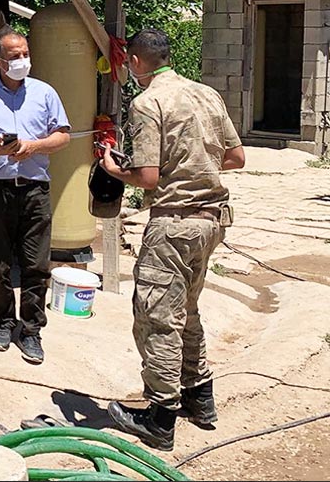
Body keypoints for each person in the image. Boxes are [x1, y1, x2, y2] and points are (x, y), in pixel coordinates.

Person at [100, 28, 245, 452]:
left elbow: (146, 177)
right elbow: (235, 157)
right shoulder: (206, 94)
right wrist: (195, 167)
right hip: (212, 222)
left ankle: (159, 416)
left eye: (128, 62)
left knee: (157, 315)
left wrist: (112, 169)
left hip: (174, 223)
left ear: (136, 61)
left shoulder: (147, 103)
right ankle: (200, 398)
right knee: (188, 309)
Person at [0, 32, 71, 365]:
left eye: (25, 53)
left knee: (36, 266)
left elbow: (62, 136)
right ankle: (4, 323)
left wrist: (33, 146)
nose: (22, 60)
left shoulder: (45, 92)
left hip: (35, 189)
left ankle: (31, 331)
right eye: (14, 56)